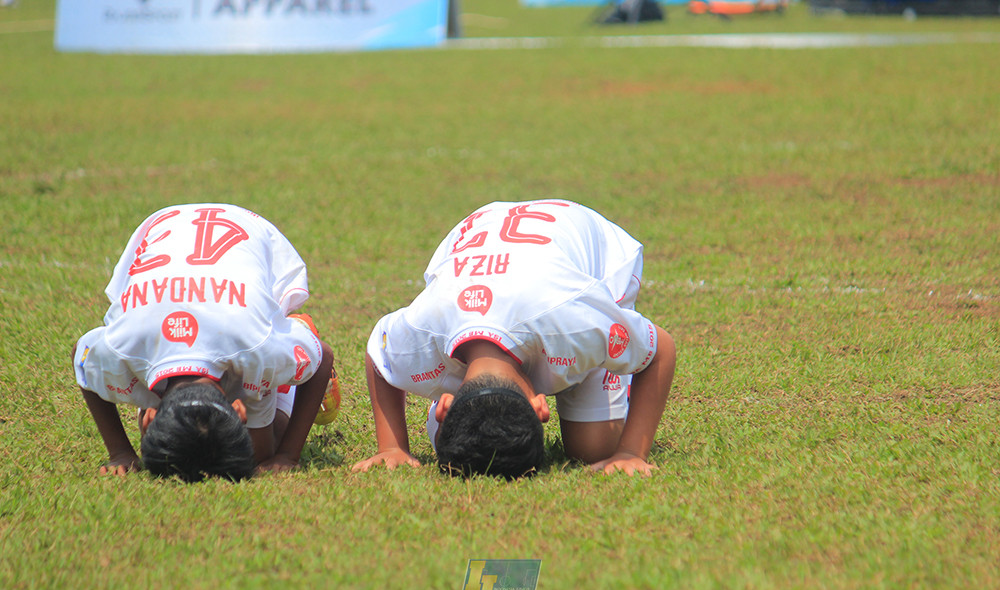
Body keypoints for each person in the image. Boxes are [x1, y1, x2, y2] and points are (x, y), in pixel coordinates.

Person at [351, 199, 676, 478]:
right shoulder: (420, 332)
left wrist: (632, 452)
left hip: (596, 254)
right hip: (492, 236)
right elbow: (379, 355)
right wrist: (391, 447)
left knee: (594, 448)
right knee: (458, 442)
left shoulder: (574, 320)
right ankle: (579, 366)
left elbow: (661, 348)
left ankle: (590, 364)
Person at [72, 203, 335, 480]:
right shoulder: (121, 348)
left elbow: (323, 358)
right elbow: (81, 353)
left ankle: (295, 331)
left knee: (263, 452)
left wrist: (288, 455)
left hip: (248, 231)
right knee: (198, 439)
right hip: (167, 232)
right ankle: (287, 350)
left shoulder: (257, 347)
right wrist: (121, 453)